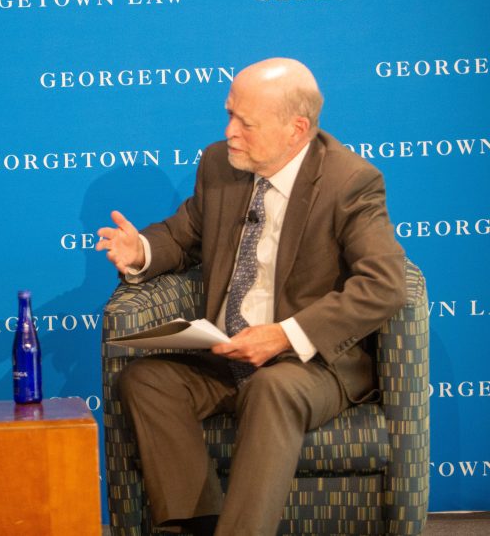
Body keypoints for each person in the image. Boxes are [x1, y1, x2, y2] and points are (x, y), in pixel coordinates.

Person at [96, 58, 405, 535]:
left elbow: (384, 283)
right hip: (226, 354)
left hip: (307, 366)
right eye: (229, 114)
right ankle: (195, 525)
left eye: (246, 122)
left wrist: (282, 336)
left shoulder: (349, 182)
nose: (230, 131)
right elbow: (182, 235)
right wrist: (141, 250)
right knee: (146, 380)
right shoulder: (219, 164)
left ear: (295, 130)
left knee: (272, 388)